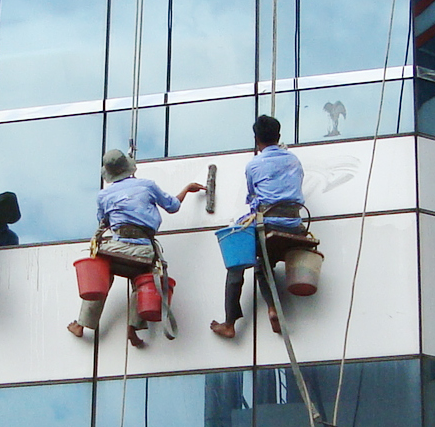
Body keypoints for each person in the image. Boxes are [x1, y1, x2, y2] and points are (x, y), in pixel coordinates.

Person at [68, 150, 205, 348]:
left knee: (101, 271)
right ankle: (133, 328)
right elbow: (173, 206)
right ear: (129, 168)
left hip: (116, 249)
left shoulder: (104, 195)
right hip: (144, 251)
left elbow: (103, 222)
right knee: (143, 277)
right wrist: (187, 189)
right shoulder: (147, 186)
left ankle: (82, 324)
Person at [210, 115, 307, 339]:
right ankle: (272, 308)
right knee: (263, 263)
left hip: (268, 223)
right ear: (278, 136)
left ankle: (229, 323)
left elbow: (253, 195)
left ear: (256, 139)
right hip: (294, 224)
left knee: (236, 261)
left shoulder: (254, 165)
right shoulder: (294, 160)